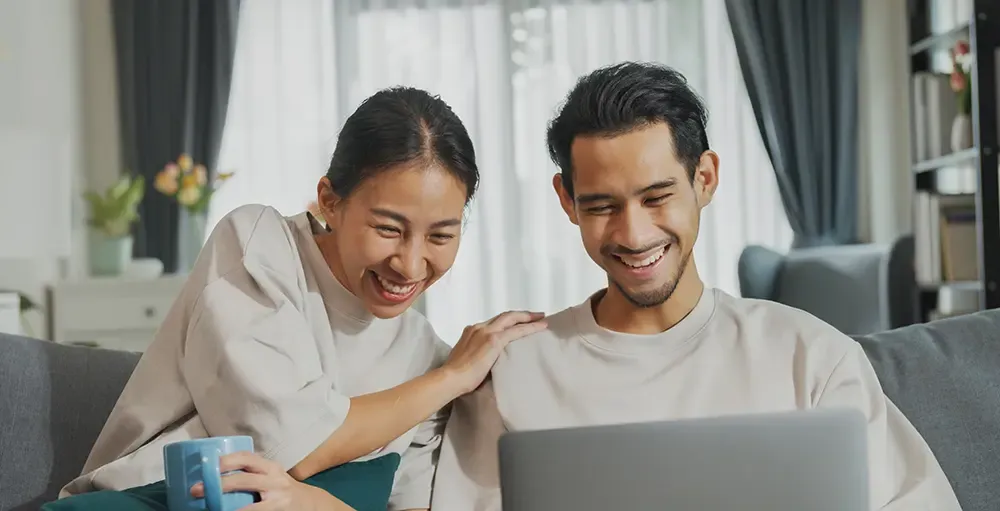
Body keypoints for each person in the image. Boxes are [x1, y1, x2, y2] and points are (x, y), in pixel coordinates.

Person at [430, 62, 961, 511]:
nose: (634, 235)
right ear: (567, 201)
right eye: (601, 205)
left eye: (656, 196)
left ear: (704, 178)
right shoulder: (513, 371)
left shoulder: (811, 356)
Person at [46, 87, 547, 511]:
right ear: (330, 200)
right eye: (388, 229)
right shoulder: (258, 245)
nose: (411, 266)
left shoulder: (423, 352)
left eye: (441, 237)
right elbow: (294, 445)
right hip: (156, 497)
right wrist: (453, 377)